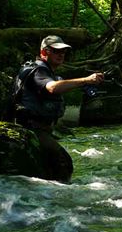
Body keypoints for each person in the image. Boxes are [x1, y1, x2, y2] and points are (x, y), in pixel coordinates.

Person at [14, 35, 104, 182]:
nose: (61, 54)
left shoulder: (47, 71)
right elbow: (52, 88)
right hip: (31, 129)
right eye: (56, 51)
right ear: (44, 52)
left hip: (41, 129)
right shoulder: (39, 71)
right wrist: (86, 80)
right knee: (64, 163)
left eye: (63, 51)